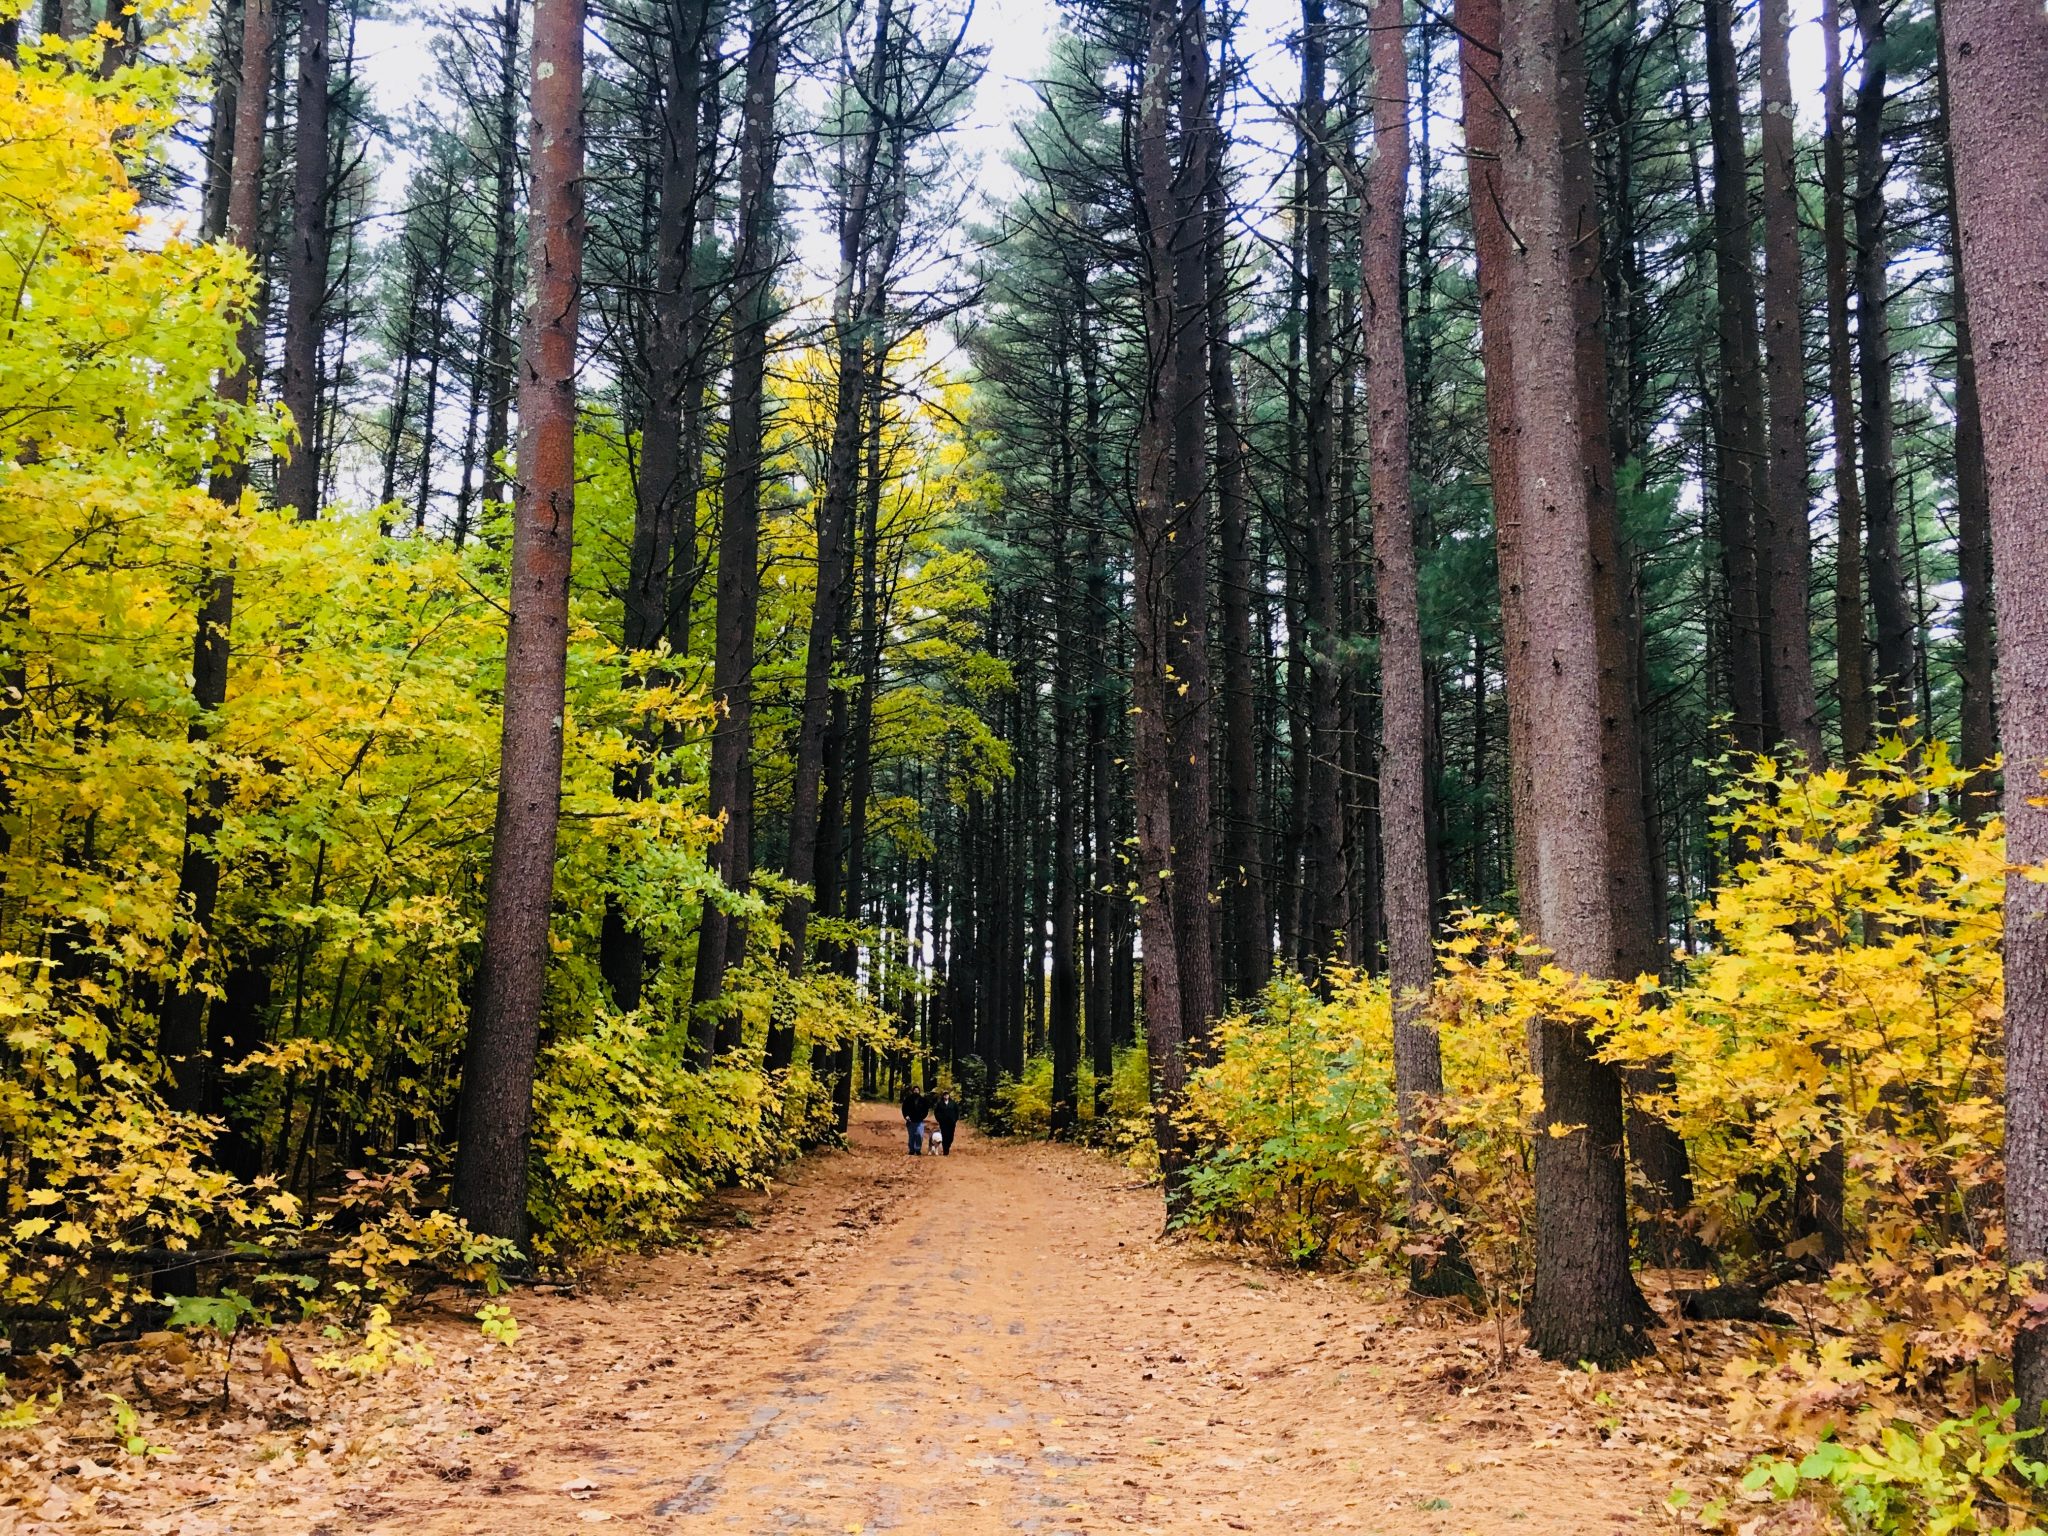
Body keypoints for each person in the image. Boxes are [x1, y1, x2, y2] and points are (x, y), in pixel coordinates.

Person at [900, 1084, 929, 1156]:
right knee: (912, 1136)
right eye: (915, 1090)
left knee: (919, 1135)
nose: (916, 1091)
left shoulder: (923, 1100)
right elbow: (904, 1108)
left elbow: (926, 1110)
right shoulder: (908, 1099)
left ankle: (918, 1149)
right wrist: (906, 1116)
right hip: (910, 1121)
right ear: (912, 1091)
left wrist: (923, 1116)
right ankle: (912, 1150)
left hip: (919, 1120)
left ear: (919, 1091)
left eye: (917, 1090)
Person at [932, 1091, 960, 1156]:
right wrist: (939, 1119)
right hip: (943, 1123)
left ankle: (948, 1145)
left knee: (950, 1137)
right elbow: (936, 1112)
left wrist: (955, 1119)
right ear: (943, 1096)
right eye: (944, 1095)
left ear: (949, 1096)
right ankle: (945, 1150)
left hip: (951, 1123)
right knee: (944, 1136)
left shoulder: (953, 1103)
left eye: (947, 1095)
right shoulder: (940, 1104)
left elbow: (957, 1112)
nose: (946, 1096)